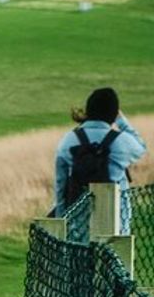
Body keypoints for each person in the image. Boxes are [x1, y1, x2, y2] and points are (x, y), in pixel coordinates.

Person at [52, 88, 147, 230]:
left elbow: (61, 185)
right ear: (113, 113)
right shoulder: (121, 142)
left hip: (78, 224)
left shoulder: (68, 141)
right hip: (116, 223)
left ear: (88, 110)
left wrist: (61, 218)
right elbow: (141, 147)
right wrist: (121, 121)